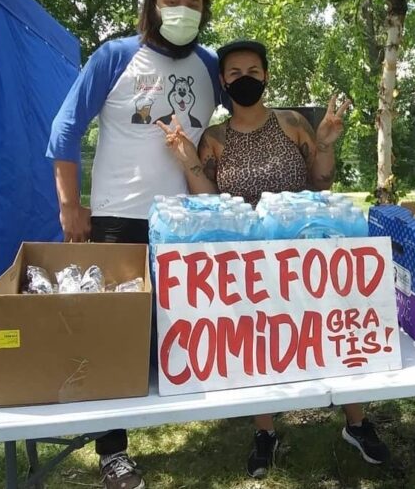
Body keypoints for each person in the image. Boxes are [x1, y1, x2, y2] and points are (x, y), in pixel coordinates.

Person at [159, 39, 390, 479]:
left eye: (252, 70)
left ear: (265, 75)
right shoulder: (215, 138)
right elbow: (209, 203)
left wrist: (324, 144)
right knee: (258, 342)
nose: (244, 79)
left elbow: (321, 184)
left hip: (303, 253)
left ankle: (356, 422)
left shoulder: (292, 124)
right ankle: (265, 430)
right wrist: (189, 161)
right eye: (234, 73)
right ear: (223, 83)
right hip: (248, 261)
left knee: (330, 330)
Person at [47, 0, 225, 489]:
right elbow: (64, 130)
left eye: (194, 3)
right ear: (152, 3)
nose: (183, 10)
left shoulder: (211, 66)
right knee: (112, 332)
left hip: (189, 222)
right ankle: (113, 452)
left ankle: (192, 408)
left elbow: (231, 127)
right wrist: (68, 205)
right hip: (117, 219)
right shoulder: (116, 56)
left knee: (181, 323)